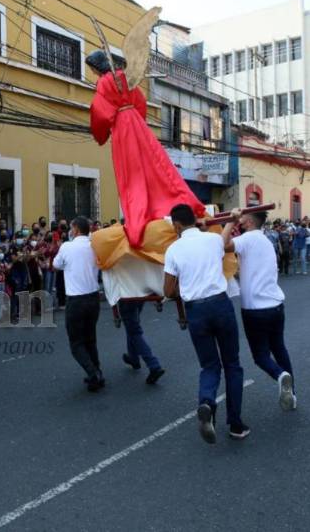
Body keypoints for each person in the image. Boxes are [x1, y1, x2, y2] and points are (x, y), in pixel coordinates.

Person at [86, 49, 205, 248]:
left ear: (97, 66)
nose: (93, 73)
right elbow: (140, 102)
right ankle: (178, 199)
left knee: (132, 172)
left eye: (92, 68)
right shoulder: (125, 77)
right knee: (156, 164)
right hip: (137, 123)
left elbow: (100, 111)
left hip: (123, 126)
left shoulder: (104, 82)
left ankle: (142, 212)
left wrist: (101, 133)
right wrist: (135, 118)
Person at [164, 204, 247, 443]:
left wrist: (184, 287)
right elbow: (224, 237)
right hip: (220, 305)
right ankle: (236, 425)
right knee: (232, 364)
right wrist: (232, 219)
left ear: (177, 225)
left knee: (210, 366)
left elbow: (168, 291)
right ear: (195, 220)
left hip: (196, 310)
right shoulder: (212, 240)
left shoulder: (173, 250)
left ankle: (207, 402)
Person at [222, 209, 296, 410]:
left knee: (261, 356)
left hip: (255, 309)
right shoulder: (265, 240)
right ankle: (292, 394)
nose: (240, 220)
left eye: (242, 218)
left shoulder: (248, 238)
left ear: (248, 221)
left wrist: (230, 221)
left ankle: (280, 375)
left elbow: (222, 245)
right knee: (279, 348)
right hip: (275, 306)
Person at [52, 217, 103, 392]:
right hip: (93, 297)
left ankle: (93, 373)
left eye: (71, 228)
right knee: (90, 339)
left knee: (76, 343)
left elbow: (56, 265)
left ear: (75, 229)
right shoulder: (94, 245)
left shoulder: (67, 246)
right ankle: (97, 372)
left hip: (76, 300)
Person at [117, 300, 165, 384]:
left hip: (126, 297)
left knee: (134, 331)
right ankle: (133, 358)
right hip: (139, 296)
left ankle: (153, 365)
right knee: (131, 326)